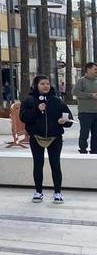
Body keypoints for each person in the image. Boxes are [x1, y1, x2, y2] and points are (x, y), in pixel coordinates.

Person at [20, 75, 73, 203]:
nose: (45, 86)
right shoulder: (29, 100)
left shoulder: (57, 100)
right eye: (42, 84)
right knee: (38, 165)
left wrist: (64, 122)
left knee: (55, 165)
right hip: (36, 137)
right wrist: (37, 110)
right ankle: (38, 191)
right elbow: (23, 117)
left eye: (47, 84)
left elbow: (69, 119)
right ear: (36, 85)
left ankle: (58, 193)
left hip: (55, 138)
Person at [72, 62, 97, 154]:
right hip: (85, 112)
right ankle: (83, 149)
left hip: (96, 112)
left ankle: (94, 150)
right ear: (88, 69)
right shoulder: (81, 81)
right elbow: (75, 93)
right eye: (94, 69)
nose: (96, 71)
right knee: (84, 132)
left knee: (96, 133)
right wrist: (91, 95)